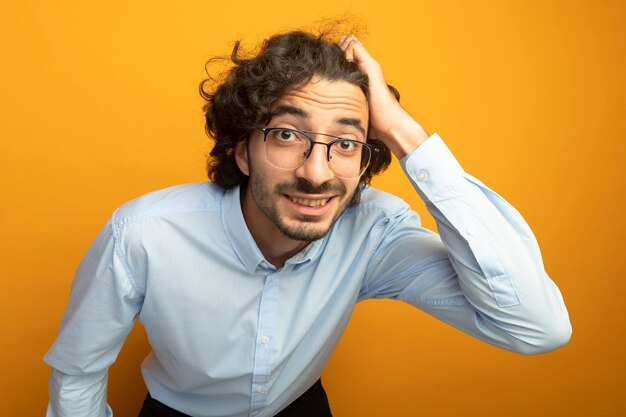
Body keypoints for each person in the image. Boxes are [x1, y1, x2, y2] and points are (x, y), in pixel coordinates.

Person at [44, 30, 571, 417]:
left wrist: (405, 135)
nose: (316, 173)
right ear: (243, 151)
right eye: (287, 135)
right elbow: (78, 373)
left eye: (345, 142)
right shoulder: (142, 234)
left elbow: (535, 328)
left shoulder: (374, 233)